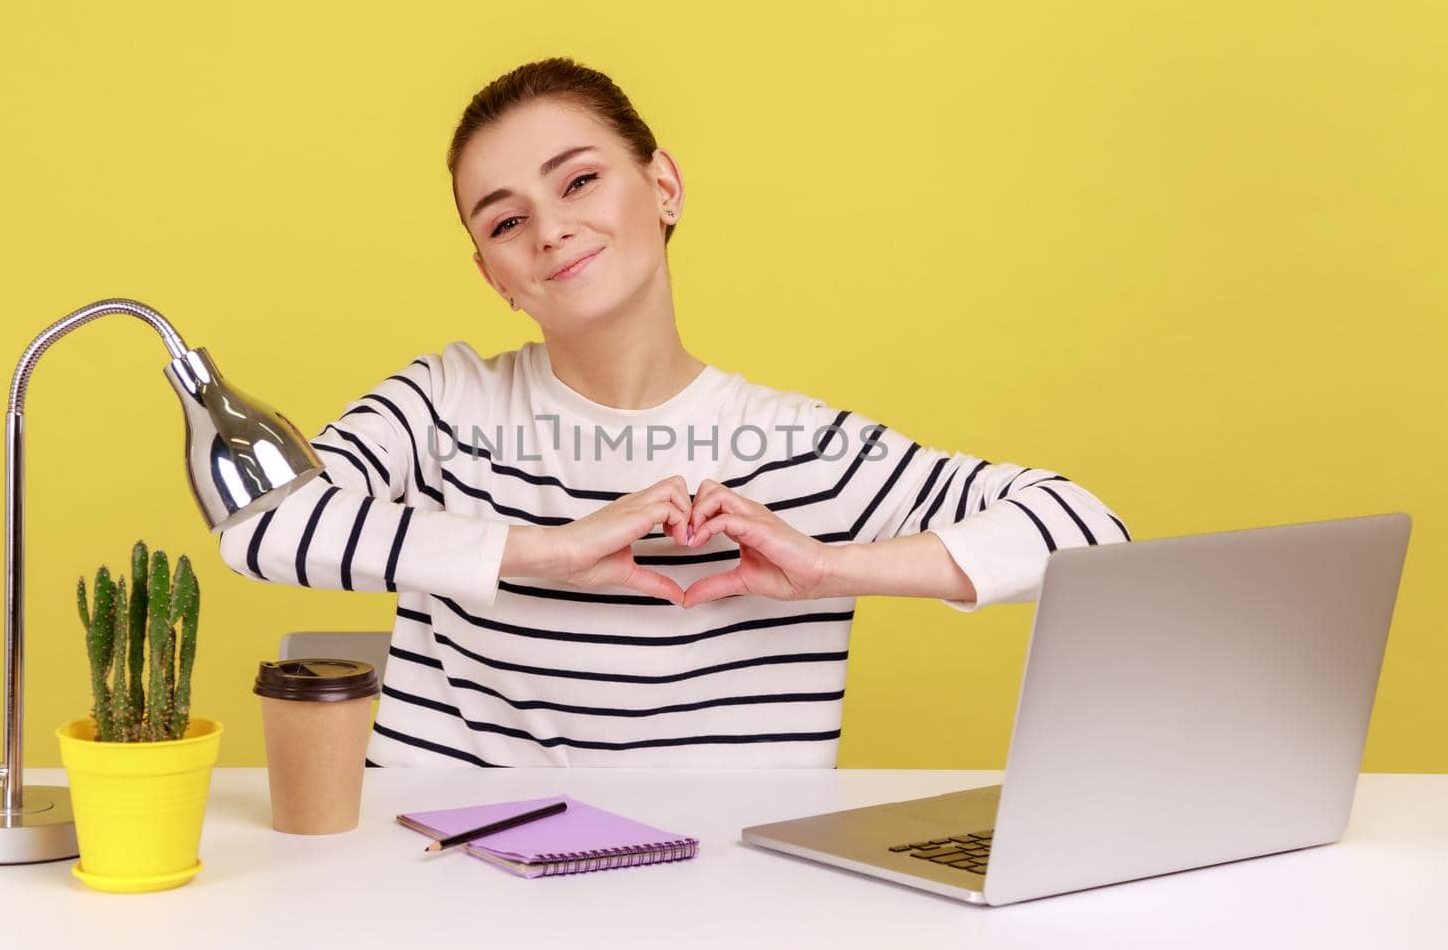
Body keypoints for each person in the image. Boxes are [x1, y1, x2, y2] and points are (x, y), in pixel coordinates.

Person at [217, 57, 1131, 768]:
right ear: (493, 275)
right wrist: (554, 549)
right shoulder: (447, 404)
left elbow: (1089, 530)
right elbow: (260, 523)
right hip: (450, 890)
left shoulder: (796, 447)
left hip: (717, 906)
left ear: (663, 188)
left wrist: (828, 568)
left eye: (578, 181)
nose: (549, 229)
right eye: (503, 222)